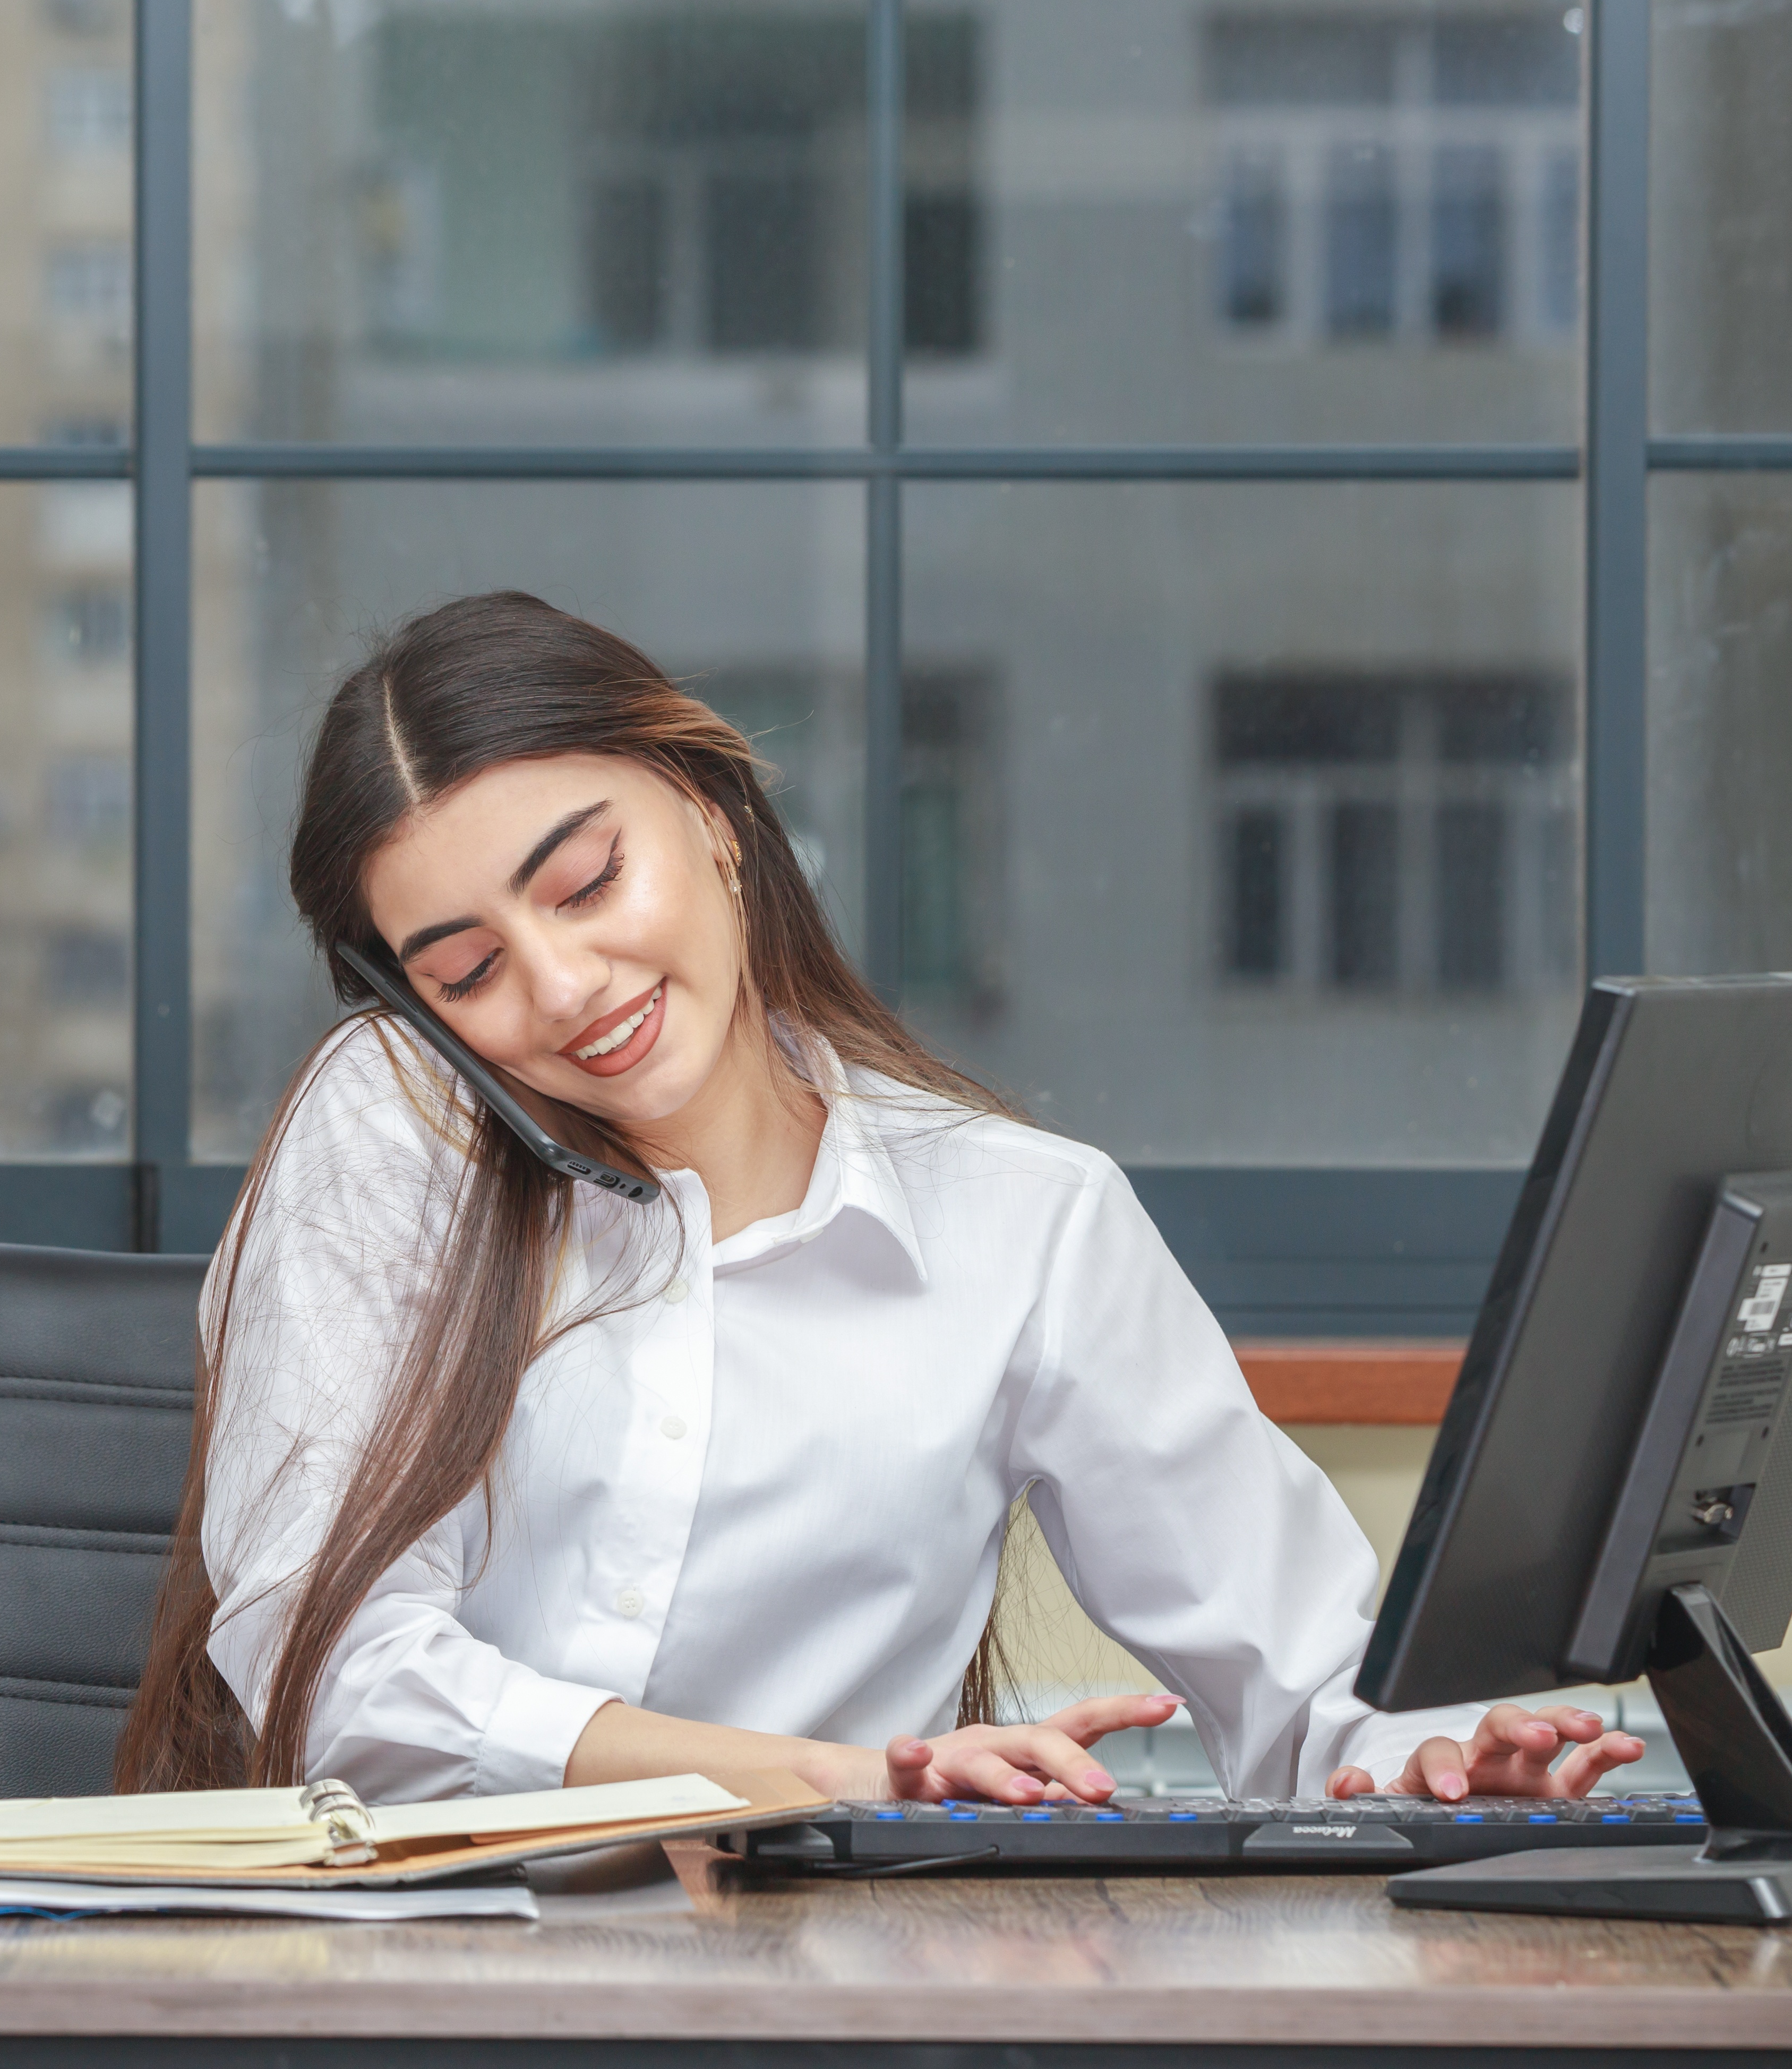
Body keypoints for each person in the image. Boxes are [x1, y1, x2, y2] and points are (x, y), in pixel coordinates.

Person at [118, 591, 1643, 1810]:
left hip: (830, 2000)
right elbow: (338, 1674)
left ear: (710, 813)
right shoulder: (390, 1129)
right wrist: (826, 1783)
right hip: (437, 1998)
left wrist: (1438, 1774)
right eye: (467, 970)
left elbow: (1306, 1688)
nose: (564, 986)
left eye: (586, 882)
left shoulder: (1022, 1226)